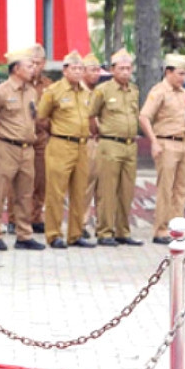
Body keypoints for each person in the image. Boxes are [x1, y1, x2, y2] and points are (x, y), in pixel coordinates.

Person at [0, 47, 45, 251]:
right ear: (16, 69)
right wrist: (0, 137)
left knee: (25, 193)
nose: (33, 69)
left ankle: (23, 234)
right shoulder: (1, 92)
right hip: (5, 146)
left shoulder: (32, 92)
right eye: (29, 65)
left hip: (27, 149)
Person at [36, 51, 94, 248]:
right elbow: (41, 118)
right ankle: (53, 234)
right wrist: (56, 131)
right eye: (74, 68)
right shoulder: (54, 91)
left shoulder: (86, 93)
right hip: (60, 144)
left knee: (79, 192)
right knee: (56, 192)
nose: (78, 72)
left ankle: (76, 234)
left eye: (81, 68)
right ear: (65, 70)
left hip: (81, 145)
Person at [89, 49, 142, 247]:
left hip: (130, 145)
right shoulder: (103, 90)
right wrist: (98, 133)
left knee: (126, 191)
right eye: (121, 68)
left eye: (128, 68)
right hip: (110, 143)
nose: (125, 72)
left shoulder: (134, 90)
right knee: (107, 190)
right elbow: (91, 115)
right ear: (112, 70)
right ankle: (105, 232)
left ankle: (123, 231)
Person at [140, 53, 185, 245]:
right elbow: (144, 117)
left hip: (183, 142)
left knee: (181, 188)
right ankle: (160, 230)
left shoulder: (183, 93)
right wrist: (153, 141)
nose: (183, 78)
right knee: (166, 188)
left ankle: (177, 229)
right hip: (166, 143)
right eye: (180, 74)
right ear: (168, 72)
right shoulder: (159, 91)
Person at [29, 44, 53, 233]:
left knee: (41, 180)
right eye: (32, 62)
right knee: (21, 182)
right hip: (23, 137)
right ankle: (16, 218)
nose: (35, 66)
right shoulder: (21, 83)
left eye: (38, 63)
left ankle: (36, 216)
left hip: (42, 138)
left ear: (44, 63)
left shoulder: (49, 85)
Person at [81, 52, 103, 237]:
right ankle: (80, 222)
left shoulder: (98, 92)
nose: (96, 74)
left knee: (99, 184)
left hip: (99, 142)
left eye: (98, 70)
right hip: (86, 140)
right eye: (92, 70)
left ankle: (96, 222)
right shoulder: (79, 92)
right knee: (85, 184)